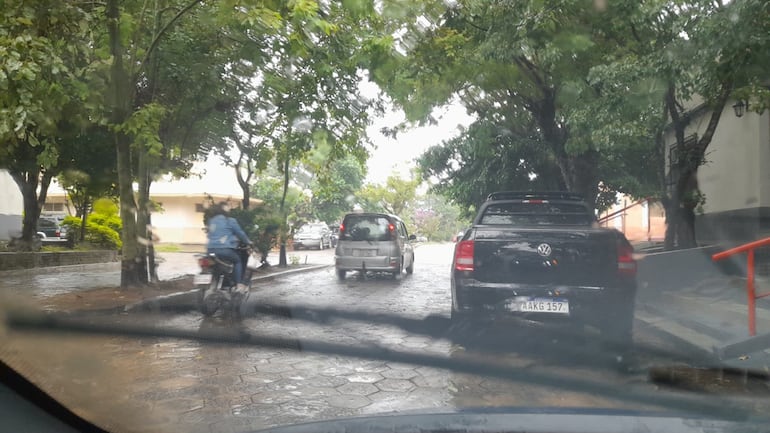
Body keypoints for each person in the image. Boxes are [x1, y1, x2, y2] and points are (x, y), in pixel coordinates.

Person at [206, 202, 253, 294]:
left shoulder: (211, 221)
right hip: (224, 250)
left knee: (215, 266)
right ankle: (238, 285)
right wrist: (249, 242)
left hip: (210, 250)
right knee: (237, 261)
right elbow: (240, 233)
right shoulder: (230, 221)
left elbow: (210, 234)